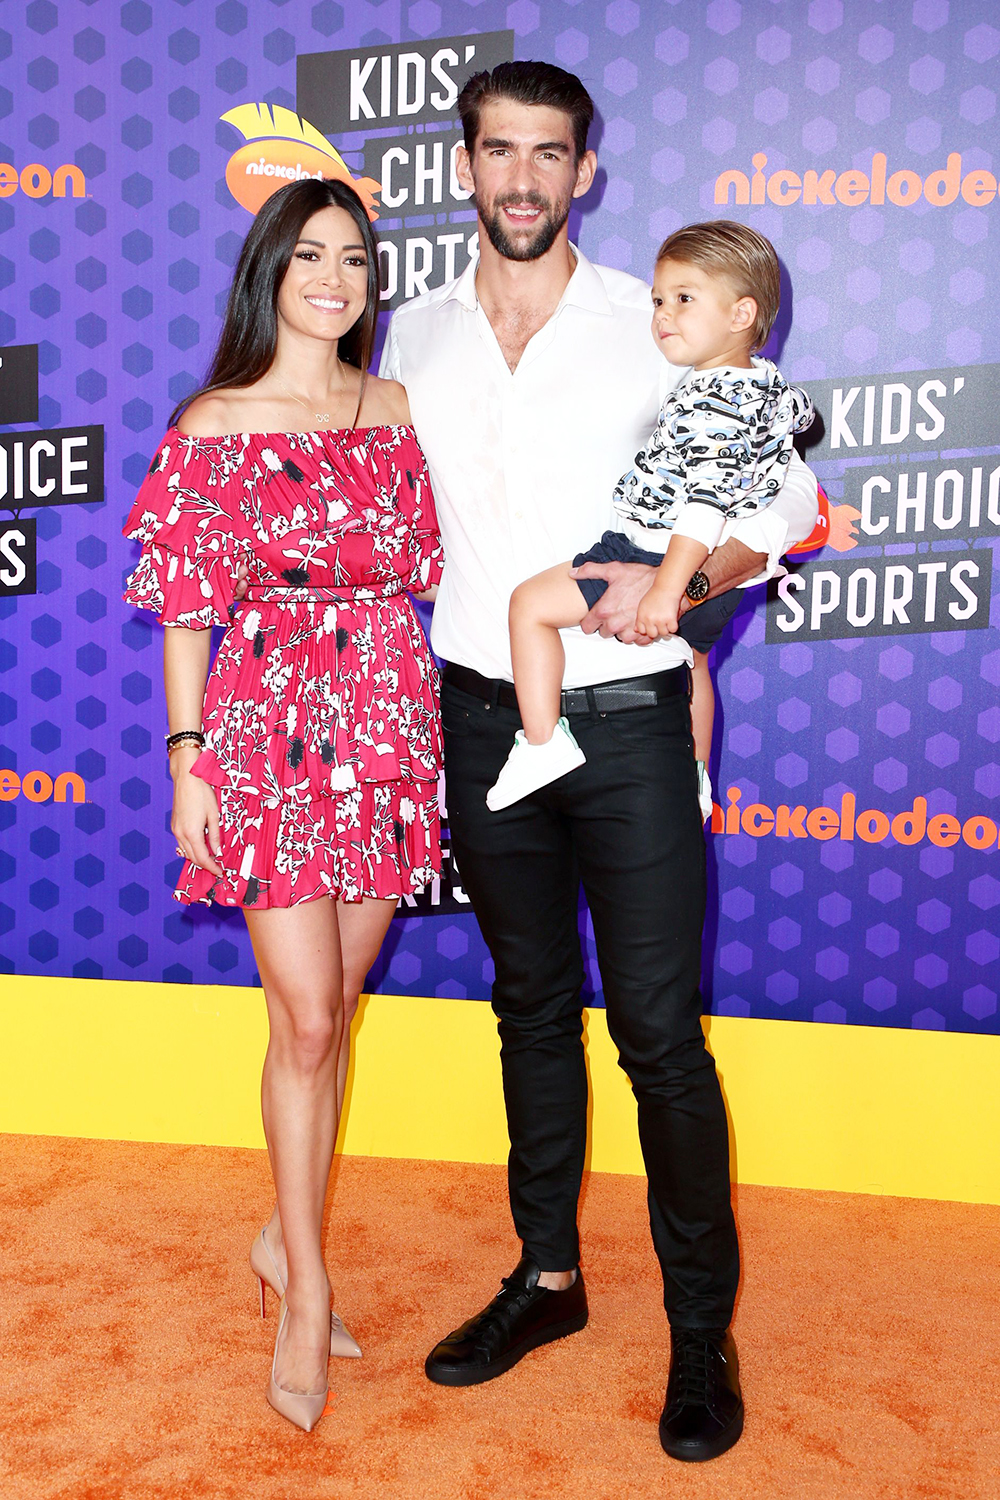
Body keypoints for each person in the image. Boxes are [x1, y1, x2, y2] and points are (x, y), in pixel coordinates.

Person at [380, 62, 818, 1464]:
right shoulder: (416, 331)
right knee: (526, 1007)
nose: (521, 177)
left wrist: (682, 602)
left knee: (658, 1036)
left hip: (625, 718)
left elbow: (790, 503)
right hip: (475, 705)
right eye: (497, 150)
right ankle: (548, 1280)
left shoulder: (657, 318)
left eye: (548, 153)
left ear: (585, 173)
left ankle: (702, 1334)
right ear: (463, 165)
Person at [122, 178, 443, 1433]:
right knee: (306, 1020)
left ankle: (277, 1233)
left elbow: (434, 562)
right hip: (260, 724)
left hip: (384, 714)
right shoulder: (211, 421)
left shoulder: (398, 407)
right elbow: (189, 608)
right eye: (309, 254)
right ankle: (305, 1286)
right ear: (270, 271)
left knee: (336, 1005)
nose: (334, 276)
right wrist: (187, 755)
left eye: (354, 259)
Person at [487, 220, 813, 811]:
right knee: (693, 663)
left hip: (652, 553)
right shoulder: (759, 386)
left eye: (684, 300)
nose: (662, 314)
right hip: (691, 570)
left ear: (742, 315)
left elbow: (705, 504)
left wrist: (667, 590)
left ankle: (540, 745)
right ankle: (694, 778)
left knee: (528, 607)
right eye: (660, 299)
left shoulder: (712, 397)